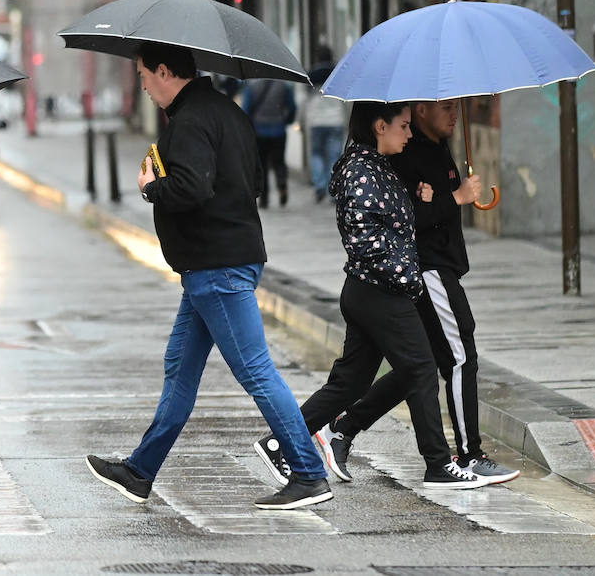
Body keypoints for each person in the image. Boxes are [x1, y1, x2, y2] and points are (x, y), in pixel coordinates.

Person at [86, 43, 332, 511]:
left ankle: (308, 472)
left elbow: (193, 186)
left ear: (164, 70)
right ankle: (139, 471)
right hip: (218, 263)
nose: (141, 83)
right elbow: (252, 182)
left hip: (217, 267)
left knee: (256, 371)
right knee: (180, 369)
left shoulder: (192, 120)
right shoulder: (227, 111)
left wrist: (150, 186)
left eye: (143, 74)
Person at [255, 101, 486, 490]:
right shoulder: (361, 171)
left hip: (371, 290)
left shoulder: (378, 167)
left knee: (349, 384)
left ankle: (278, 442)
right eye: (404, 126)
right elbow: (366, 240)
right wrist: (406, 274)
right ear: (380, 126)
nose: (409, 135)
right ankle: (437, 464)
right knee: (422, 368)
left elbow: (399, 220)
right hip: (380, 291)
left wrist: (424, 200)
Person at [310, 100, 518, 485]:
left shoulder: (418, 148)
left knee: (417, 365)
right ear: (418, 111)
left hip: (410, 278)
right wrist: (452, 198)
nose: (455, 114)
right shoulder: (384, 161)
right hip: (413, 275)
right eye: (447, 106)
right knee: (454, 357)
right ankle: (464, 455)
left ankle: (337, 429)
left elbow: (401, 214)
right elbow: (383, 231)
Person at [303, 45, 348, 203]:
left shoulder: (311, 75)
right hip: (335, 119)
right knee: (334, 155)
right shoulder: (337, 73)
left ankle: (320, 185)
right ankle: (332, 189)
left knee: (316, 154)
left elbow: (306, 98)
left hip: (316, 120)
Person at [242, 77, 296, 207]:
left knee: (262, 165)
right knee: (279, 162)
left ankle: (264, 198)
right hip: (278, 129)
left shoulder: (251, 86)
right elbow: (292, 107)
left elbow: (246, 109)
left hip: (259, 131)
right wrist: (286, 121)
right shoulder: (283, 86)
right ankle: (282, 183)